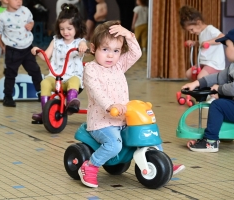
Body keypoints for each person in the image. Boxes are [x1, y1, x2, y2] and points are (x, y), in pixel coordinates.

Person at [79, 21, 185, 188]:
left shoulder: (118, 66)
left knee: (149, 137)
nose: (110, 56)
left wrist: (129, 35)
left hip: (123, 120)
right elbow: (96, 91)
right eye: (105, 50)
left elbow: (136, 53)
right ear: (93, 48)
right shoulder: (91, 69)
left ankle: (162, 162)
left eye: (116, 51)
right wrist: (110, 105)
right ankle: (90, 166)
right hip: (102, 123)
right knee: (113, 145)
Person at [181, 27, 234, 153]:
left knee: (218, 106)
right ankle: (226, 133)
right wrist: (196, 83)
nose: (225, 49)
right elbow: (217, 76)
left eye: (227, 46)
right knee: (224, 102)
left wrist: (219, 89)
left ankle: (210, 142)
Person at [31, 3, 87, 123]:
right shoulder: (56, 41)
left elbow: (84, 46)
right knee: (45, 82)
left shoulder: (79, 42)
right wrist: (37, 50)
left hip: (71, 77)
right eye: (62, 29)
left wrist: (83, 47)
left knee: (75, 80)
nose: (65, 32)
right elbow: (45, 56)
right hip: (56, 77)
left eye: (69, 29)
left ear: (77, 27)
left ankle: (72, 103)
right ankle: (46, 112)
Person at [0, 0, 42, 107]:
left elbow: (31, 21)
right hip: (12, 50)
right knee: (10, 74)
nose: (19, 2)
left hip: (27, 48)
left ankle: (41, 93)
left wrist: (31, 25)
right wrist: (3, 47)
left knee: (35, 70)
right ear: (6, 1)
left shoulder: (25, 11)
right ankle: (8, 97)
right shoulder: (2, 17)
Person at [179, 6, 225, 92]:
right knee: (189, 73)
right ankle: (201, 89)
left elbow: (223, 37)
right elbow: (202, 44)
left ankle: (211, 93)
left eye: (191, 29)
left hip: (214, 63)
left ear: (199, 23)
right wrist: (193, 43)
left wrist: (209, 42)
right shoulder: (201, 33)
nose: (191, 32)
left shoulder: (210, 29)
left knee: (200, 77)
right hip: (204, 62)